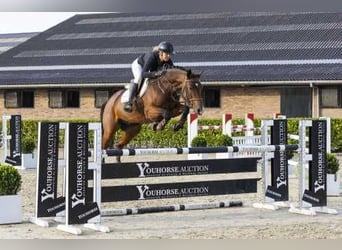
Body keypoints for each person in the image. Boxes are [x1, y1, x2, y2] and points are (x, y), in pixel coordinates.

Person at [124, 41, 175, 112]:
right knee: (138, 78)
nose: (169, 56)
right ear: (161, 53)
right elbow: (143, 74)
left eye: (170, 54)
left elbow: (172, 70)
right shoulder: (152, 57)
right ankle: (129, 103)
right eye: (167, 54)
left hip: (152, 69)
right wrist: (156, 74)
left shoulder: (167, 59)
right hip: (139, 66)